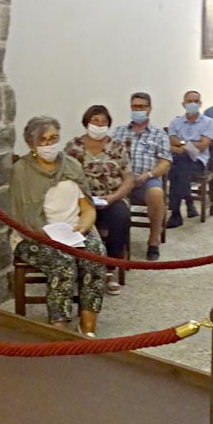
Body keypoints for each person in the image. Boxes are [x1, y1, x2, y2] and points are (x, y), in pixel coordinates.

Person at [11, 116, 107, 336]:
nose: (49, 144)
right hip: (34, 234)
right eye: (43, 140)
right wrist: (50, 237)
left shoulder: (72, 165)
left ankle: (88, 326)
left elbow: (88, 208)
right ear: (31, 144)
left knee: (96, 256)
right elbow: (23, 216)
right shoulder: (21, 170)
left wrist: (82, 227)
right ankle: (59, 327)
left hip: (74, 230)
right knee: (63, 262)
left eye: (53, 138)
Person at [66, 105, 134, 292]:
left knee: (121, 217)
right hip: (81, 200)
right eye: (94, 120)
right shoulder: (74, 146)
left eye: (104, 121)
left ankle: (110, 268)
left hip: (111, 199)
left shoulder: (117, 147)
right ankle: (81, 265)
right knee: (71, 219)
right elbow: (64, 176)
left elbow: (129, 179)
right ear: (86, 123)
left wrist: (113, 197)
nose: (99, 125)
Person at [111, 92, 172, 261]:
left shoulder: (158, 134)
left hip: (146, 179)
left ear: (149, 109)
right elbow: (110, 155)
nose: (138, 110)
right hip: (122, 180)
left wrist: (148, 175)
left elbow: (165, 162)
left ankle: (153, 240)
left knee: (156, 193)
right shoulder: (119, 132)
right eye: (134, 107)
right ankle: (115, 242)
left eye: (142, 107)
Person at [167, 91, 213, 228]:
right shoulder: (175, 122)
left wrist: (182, 144)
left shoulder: (208, 122)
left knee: (177, 169)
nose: (192, 104)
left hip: (198, 161)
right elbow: (171, 141)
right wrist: (189, 144)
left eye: (196, 101)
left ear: (200, 103)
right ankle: (188, 202)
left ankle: (175, 213)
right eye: (189, 101)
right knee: (179, 165)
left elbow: (203, 145)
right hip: (179, 159)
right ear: (183, 104)